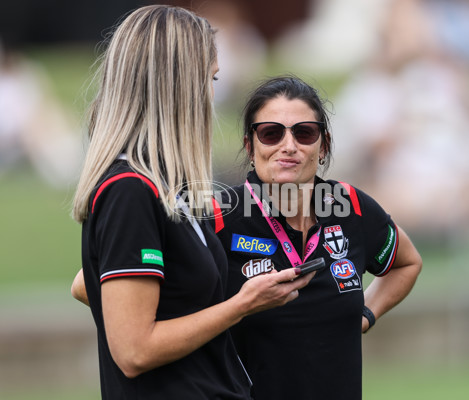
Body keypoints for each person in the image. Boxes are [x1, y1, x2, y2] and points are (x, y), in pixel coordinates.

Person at [70, 7, 313, 399]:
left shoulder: (168, 188)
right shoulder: (130, 190)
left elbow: (88, 284)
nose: (212, 94)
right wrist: (242, 304)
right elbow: (133, 351)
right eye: (211, 78)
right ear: (178, 85)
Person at [211, 76, 422, 400]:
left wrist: (366, 314)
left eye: (304, 132)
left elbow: (406, 263)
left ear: (323, 145)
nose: (289, 145)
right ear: (250, 146)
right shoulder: (220, 216)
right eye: (271, 133)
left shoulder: (349, 205)